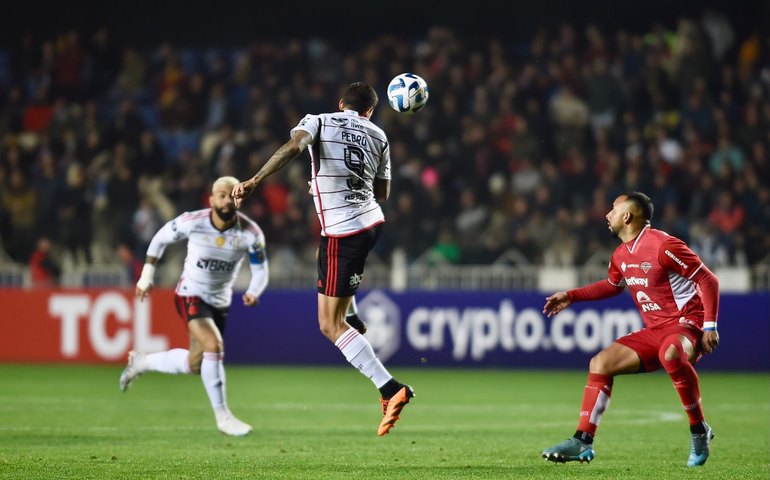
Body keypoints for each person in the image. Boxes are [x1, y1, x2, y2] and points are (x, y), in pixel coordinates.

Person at [231, 82, 412, 436]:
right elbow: (383, 192)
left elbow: (293, 146)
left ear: (341, 103)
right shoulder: (379, 135)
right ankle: (352, 313)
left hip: (344, 232)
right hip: (371, 223)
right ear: (369, 111)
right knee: (324, 257)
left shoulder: (320, 120)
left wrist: (255, 179)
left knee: (329, 325)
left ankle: (391, 389)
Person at [541, 192, 720, 467]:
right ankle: (582, 440)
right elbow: (612, 286)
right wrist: (571, 296)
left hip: (687, 323)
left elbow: (708, 280)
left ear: (627, 216)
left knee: (671, 352)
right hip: (656, 329)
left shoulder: (664, 245)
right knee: (600, 363)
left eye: (613, 209)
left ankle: (698, 430)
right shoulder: (621, 254)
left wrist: (710, 326)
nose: (607, 214)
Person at [119, 176, 269, 437]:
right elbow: (159, 239)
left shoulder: (250, 233)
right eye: (221, 195)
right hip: (190, 294)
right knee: (214, 345)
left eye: (232, 195)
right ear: (211, 199)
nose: (227, 200)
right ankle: (223, 417)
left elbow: (261, 269)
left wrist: (254, 291)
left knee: (195, 363)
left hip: (220, 302)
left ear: (240, 198)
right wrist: (147, 276)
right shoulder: (193, 221)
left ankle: (142, 362)